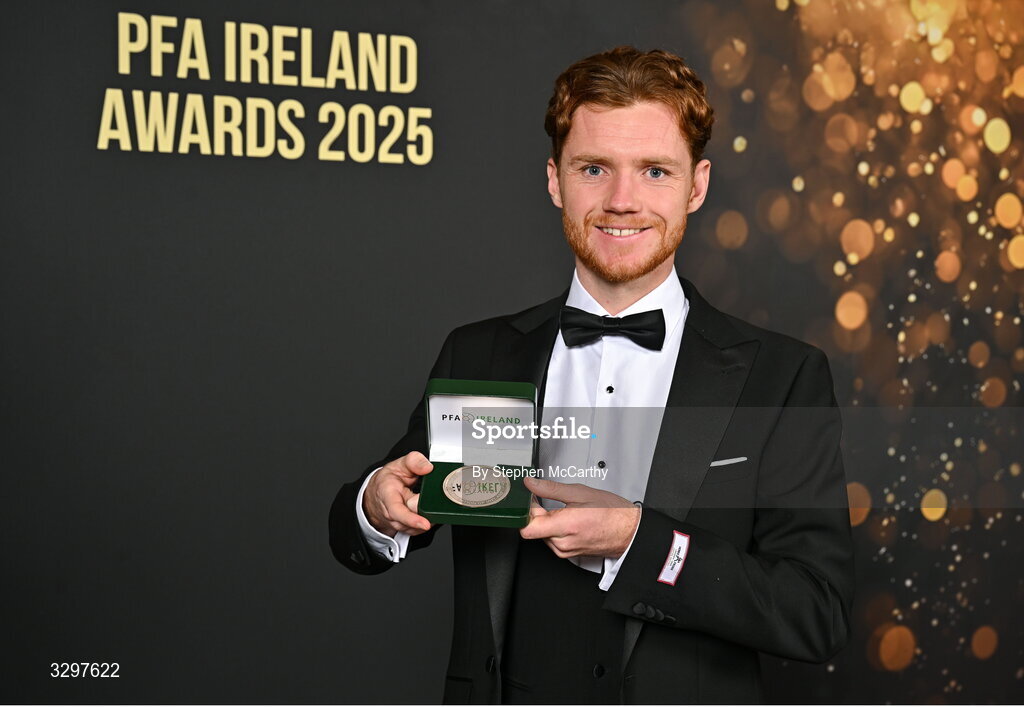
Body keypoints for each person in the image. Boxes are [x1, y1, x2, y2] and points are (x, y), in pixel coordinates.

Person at [329, 46, 854, 705]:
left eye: (655, 171)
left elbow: (816, 610)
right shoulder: (479, 353)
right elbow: (366, 524)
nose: (621, 200)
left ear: (697, 185)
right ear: (555, 180)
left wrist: (640, 541)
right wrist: (377, 504)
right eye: (594, 168)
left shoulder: (783, 377)